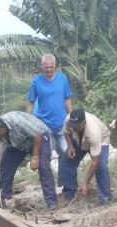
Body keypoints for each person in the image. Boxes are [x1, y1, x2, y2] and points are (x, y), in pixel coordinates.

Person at [0, 111, 58, 210]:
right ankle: (5, 198)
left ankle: (52, 203)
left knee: (44, 167)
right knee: (6, 165)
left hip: (39, 137)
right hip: (18, 143)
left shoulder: (18, 122)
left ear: (1, 130)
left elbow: (37, 135)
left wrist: (35, 157)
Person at [26, 54, 72, 186]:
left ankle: (63, 182)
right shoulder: (36, 81)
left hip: (62, 123)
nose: (49, 70)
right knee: (45, 156)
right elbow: (30, 102)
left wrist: (71, 115)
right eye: (46, 67)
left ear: (55, 66)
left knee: (65, 152)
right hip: (44, 125)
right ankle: (48, 184)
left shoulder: (62, 79)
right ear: (42, 67)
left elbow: (67, 98)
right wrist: (27, 119)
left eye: (51, 67)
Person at [61, 108, 112, 205]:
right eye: (73, 126)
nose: (74, 128)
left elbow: (94, 162)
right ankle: (70, 195)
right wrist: (70, 146)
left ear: (83, 123)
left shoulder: (94, 132)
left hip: (101, 140)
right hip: (79, 140)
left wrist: (85, 183)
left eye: (76, 126)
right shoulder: (68, 119)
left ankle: (105, 198)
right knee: (66, 162)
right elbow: (66, 131)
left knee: (101, 166)